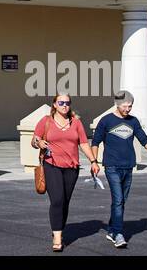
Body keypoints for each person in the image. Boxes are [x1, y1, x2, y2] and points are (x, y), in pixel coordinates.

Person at [90, 89, 147, 249]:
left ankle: (112, 228)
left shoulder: (133, 121)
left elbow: (143, 138)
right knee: (118, 199)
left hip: (128, 166)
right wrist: (94, 162)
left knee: (121, 201)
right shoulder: (106, 121)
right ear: (118, 104)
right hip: (112, 166)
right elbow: (95, 142)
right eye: (126, 106)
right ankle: (119, 234)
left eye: (130, 106)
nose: (128, 109)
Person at [31, 94, 99, 252]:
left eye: (67, 103)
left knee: (65, 202)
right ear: (54, 104)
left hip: (71, 167)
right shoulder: (45, 121)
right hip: (51, 165)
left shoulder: (76, 123)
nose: (64, 105)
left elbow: (83, 143)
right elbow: (34, 140)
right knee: (57, 200)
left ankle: (58, 227)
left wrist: (93, 161)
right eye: (61, 102)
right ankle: (57, 237)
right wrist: (39, 142)